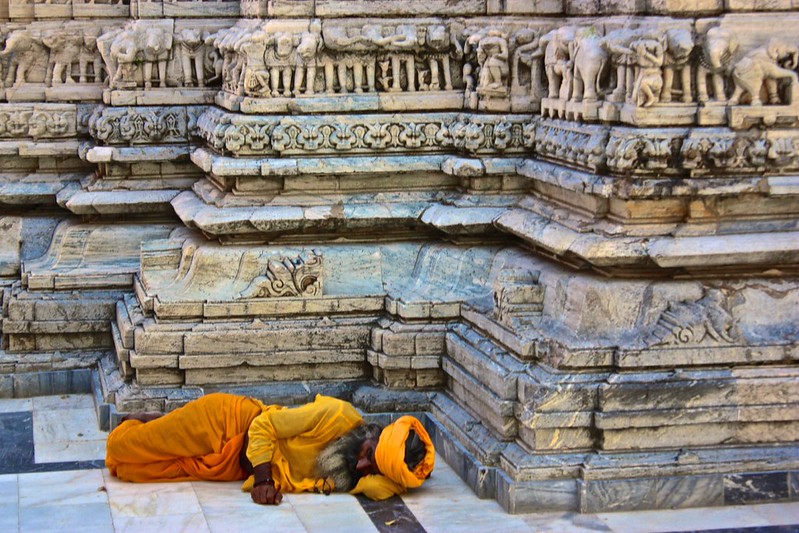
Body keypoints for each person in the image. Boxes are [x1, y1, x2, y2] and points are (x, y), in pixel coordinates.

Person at [105, 393, 435, 504]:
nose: (362, 467)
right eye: (367, 454)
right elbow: (263, 426)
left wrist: (407, 473)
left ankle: (160, 423)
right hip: (227, 424)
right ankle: (145, 421)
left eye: (373, 469)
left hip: (231, 466)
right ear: (372, 432)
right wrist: (263, 480)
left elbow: (382, 486)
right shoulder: (337, 415)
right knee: (120, 449)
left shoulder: (363, 473)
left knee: (133, 472)